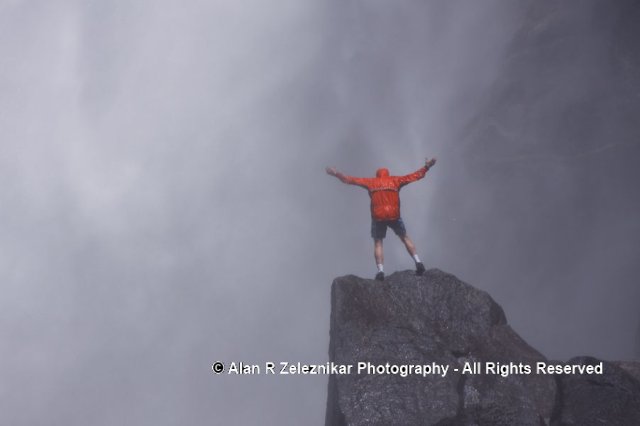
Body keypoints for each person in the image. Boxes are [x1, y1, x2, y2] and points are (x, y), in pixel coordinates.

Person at [326, 158, 436, 281]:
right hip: (394, 216)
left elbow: (349, 180)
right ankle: (418, 262)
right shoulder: (395, 180)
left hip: (378, 217)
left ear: (377, 175)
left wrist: (336, 173)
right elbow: (415, 176)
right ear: (387, 174)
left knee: (378, 242)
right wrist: (427, 167)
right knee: (404, 237)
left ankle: (381, 271)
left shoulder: (371, 182)